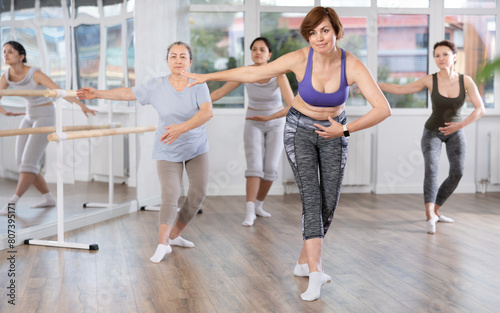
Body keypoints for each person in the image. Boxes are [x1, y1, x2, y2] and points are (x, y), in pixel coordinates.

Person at [183, 7, 391, 301]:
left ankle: (304, 261)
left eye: (325, 31)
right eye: (312, 32)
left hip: (335, 132)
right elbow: (253, 72)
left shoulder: (352, 64)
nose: (318, 38)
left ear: (336, 31)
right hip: (299, 130)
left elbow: (383, 108)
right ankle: (316, 273)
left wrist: (344, 131)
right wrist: (208, 76)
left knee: (329, 200)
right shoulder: (299, 59)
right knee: (311, 197)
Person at [77, 41, 213, 264]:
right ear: (167, 60)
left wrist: (181, 128)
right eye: (173, 56)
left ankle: (174, 235)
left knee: (198, 193)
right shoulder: (156, 85)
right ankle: (163, 244)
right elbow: (127, 94)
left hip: (196, 146)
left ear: (190, 61)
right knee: (170, 193)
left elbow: (207, 113)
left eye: (182, 56)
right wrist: (97, 93)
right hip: (167, 146)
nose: (178, 60)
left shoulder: (198, 84)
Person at [377, 40, 485, 235]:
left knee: (458, 172)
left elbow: (480, 109)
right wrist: (374, 85)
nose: (440, 58)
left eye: (444, 54)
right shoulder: (430, 80)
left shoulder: (465, 81)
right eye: (437, 55)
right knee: (432, 168)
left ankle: (436, 210)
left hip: (455, 132)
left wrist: (460, 125)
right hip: (432, 132)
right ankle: (429, 217)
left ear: (454, 57)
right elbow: (401, 89)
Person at [0, 40, 96, 216]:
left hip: (45, 115)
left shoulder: (35, 74)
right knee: (23, 162)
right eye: (4, 51)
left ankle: (12, 203)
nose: (5, 54)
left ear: (21, 56)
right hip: (29, 115)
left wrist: (82, 106)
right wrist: (4, 112)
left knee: (28, 163)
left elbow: (59, 91)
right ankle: (49, 198)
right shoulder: (6, 76)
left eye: (10, 51)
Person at [210, 37, 294, 227]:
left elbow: (291, 105)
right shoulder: (245, 73)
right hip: (253, 123)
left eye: (262, 50)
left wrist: (268, 118)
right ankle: (249, 212)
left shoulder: (279, 74)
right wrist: (197, 103)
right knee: (255, 167)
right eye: (254, 49)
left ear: (269, 55)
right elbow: (219, 93)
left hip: (276, 123)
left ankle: (258, 205)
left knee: (270, 169)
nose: (258, 52)